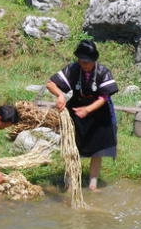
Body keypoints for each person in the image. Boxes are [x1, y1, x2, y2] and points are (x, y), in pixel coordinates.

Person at [46, 39, 118, 191]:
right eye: (81, 61)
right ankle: (71, 182)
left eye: (87, 62)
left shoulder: (103, 72)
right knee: (72, 148)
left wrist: (88, 110)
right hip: (76, 110)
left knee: (97, 150)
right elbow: (50, 84)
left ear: (94, 60)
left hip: (98, 114)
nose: (83, 65)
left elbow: (104, 97)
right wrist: (60, 95)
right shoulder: (73, 69)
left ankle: (93, 184)